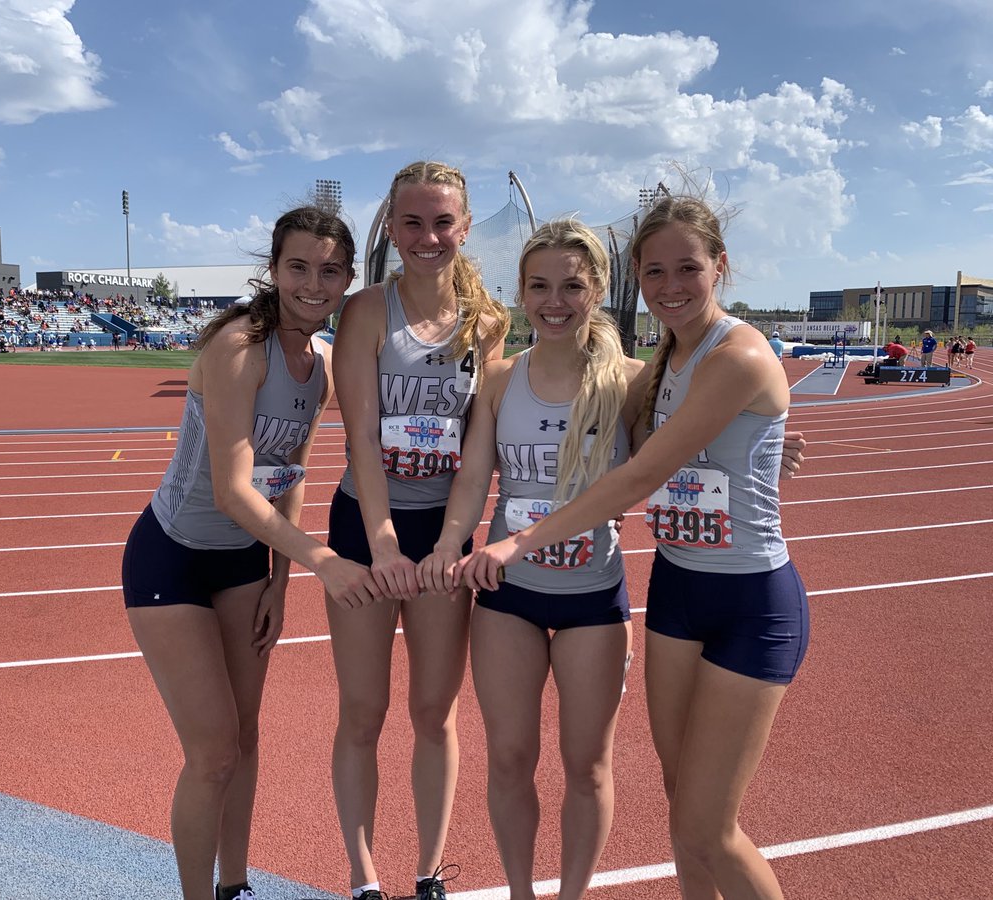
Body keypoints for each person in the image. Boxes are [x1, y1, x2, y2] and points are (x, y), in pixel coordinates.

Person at [458, 194, 809, 899]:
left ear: (721, 266)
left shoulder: (733, 353)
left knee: (710, 826)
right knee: (685, 816)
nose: (671, 286)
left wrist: (520, 540)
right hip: (677, 592)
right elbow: (681, 442)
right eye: (656, 272)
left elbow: (643, 471)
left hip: (748, 600)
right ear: (638, 282)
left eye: (688, 268)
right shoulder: (664, 362)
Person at [121, 207, 381, 900]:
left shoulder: (321, 366)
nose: (313, 283)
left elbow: (288, 472)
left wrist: (280, 581)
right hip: (170, 558)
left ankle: (235, 885)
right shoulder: (239, 348)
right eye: (298, 267)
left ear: (348, 280)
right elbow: (236, 492)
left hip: (245, 564)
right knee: (211, 754)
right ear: (274, 270)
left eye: (330, 271)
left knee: (246, 736)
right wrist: (324, 560)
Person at [418, 220, 642, 899]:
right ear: (521, 291)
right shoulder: (500, 379)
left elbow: (691, 442)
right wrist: (445, 543)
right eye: (540, 285)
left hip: (593, 598)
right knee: (511, 758)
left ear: (597, 290)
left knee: (589, 767)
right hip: (508, 597)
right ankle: (521, 893)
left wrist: (764, 447)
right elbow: (471, 479)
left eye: (572, 286)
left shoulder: (632, 381)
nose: (555, 301)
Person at [328, 160, 510, 900]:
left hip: (445, 530)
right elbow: (360, 439)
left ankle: (429, 872)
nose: (429, 236)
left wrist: (445, 543)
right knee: (363, 711)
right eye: (413, 222)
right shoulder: (369, 312)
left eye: (443, 222)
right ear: (392, 229)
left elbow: (478, 451)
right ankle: (363, 875)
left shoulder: (489, 322)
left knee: (435, 711)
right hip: (366, 524)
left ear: (464, 229)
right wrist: (382, 544)